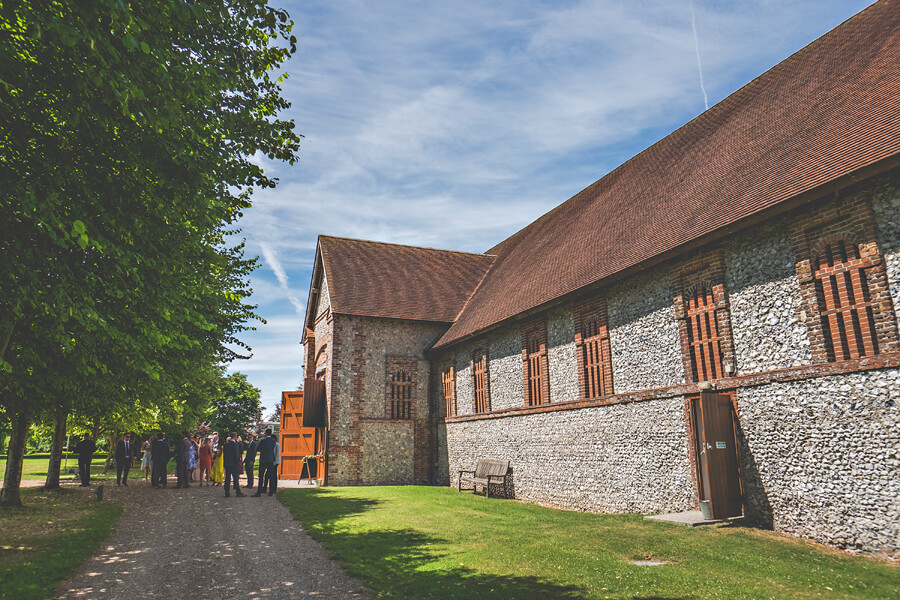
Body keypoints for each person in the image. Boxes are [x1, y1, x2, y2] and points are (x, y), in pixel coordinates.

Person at [252, 428, 276, 497]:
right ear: (271, 433)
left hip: (263, 459)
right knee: (271, 476)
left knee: (261, 476)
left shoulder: (263, 441)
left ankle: (259, 492)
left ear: (265, 433)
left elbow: (258, 448)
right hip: (270, 459)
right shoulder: (273, 441)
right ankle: (271, 491)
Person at [222, 432, 245, 497]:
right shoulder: (236, 445)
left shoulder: (226, 445)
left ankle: (227, 492)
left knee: (227, 478)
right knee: (235, 478)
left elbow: (225, 455)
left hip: (227, 463)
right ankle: (238, 492)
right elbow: (236, 455)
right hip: (234, 464)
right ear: (235, 437)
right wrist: (238, 463)